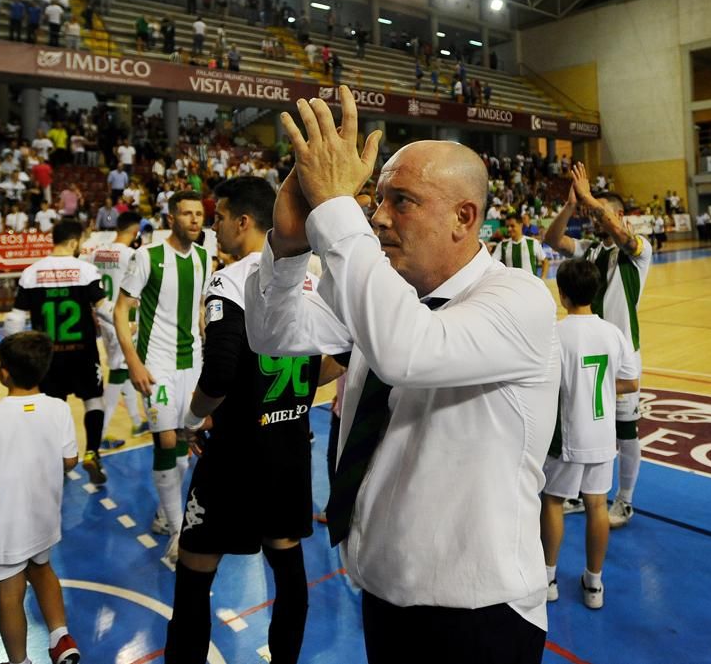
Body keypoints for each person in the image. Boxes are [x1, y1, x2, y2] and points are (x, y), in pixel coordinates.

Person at [245, 88, 559, 663]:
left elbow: (406, 352)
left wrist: (337, 206)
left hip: (479, 612)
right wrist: (289, 247)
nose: (379, 216)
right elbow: (273, 338)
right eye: (376, 198)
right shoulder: (387, 291)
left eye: (403, 201)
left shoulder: (520, 299)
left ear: (464, 217)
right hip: (385, 590)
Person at [166, 177, 335, 663]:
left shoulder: (233, 278)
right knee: (289, 575)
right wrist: (295, 396)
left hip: (235, 456)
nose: (213, 226)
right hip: (288, 451)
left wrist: (193, 418)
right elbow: (339, 357)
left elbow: (219, 374)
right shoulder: (315, 273)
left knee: (195, 577)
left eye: (217, 217)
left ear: (243, 221)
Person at [545, 162, 651, 528]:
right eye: (591, 212)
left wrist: (591, 197)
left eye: (599, 211)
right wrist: (572, 206)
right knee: (583, 425)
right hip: (587, 350)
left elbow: (623, 236)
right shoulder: (590, 250)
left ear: (618, 215)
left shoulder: (637, 252)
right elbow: (552, 240)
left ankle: (625, 500)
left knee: (625, 430)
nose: (593, 216)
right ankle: (584, 494)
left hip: (621, 353)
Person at [0, 331, 82, 664]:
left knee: (10, 592)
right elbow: (70, 460)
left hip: (6, 525)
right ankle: (61, 637)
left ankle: (20, 662)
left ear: (4, 372)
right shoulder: (59, 409)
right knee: (43, 570)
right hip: (44, 515)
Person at [114, 191, 211, 566]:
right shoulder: (147, 257)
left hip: (194, 363)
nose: (194, 220)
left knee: (188, 440)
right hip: (157, 364)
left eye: (199, 214)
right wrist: (133, 362)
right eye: (186, 214)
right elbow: (121, 312)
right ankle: (176, 534)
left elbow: (200, 310)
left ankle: (164, 512)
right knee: (166, 439)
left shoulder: (205, 257)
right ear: (172, 218)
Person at [541, 259, 638, 611]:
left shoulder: (554, 334)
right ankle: (594, 583)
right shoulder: (613, 333)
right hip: (601, 434)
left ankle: (548, 579)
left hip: (564, 435)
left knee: (552, 501)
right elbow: (631, 382)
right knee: (597, 504)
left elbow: (542, 384)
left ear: (562, 294)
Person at [5, 219, 112, 484]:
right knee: (93, 401)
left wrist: (16, 354)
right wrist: (128, 325)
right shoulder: (86, 271)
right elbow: (104, 309)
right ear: (74, 241)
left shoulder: (31, 273)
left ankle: (58, 459)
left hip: (47, 356)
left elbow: (15, 320)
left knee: (53, 408)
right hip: (84, 353)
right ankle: (92, 454)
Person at [92, 212, 145, 444]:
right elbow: (135, 293)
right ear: (136, 232)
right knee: (119, 371)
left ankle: (136, 421)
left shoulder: (97, 252)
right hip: (123, 320)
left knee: (123, 368)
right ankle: (100, 434)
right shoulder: (132, 255)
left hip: (104, 317)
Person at [491, 213, 549, 279]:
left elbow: (545, 262)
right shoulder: (502, 245)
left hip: (530, 286)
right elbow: (492, 264)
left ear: (521, 225)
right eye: (507, 226)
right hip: (511, 286)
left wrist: (543, 278)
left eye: (512, 226)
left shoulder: (533, 242)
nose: (509, 229)